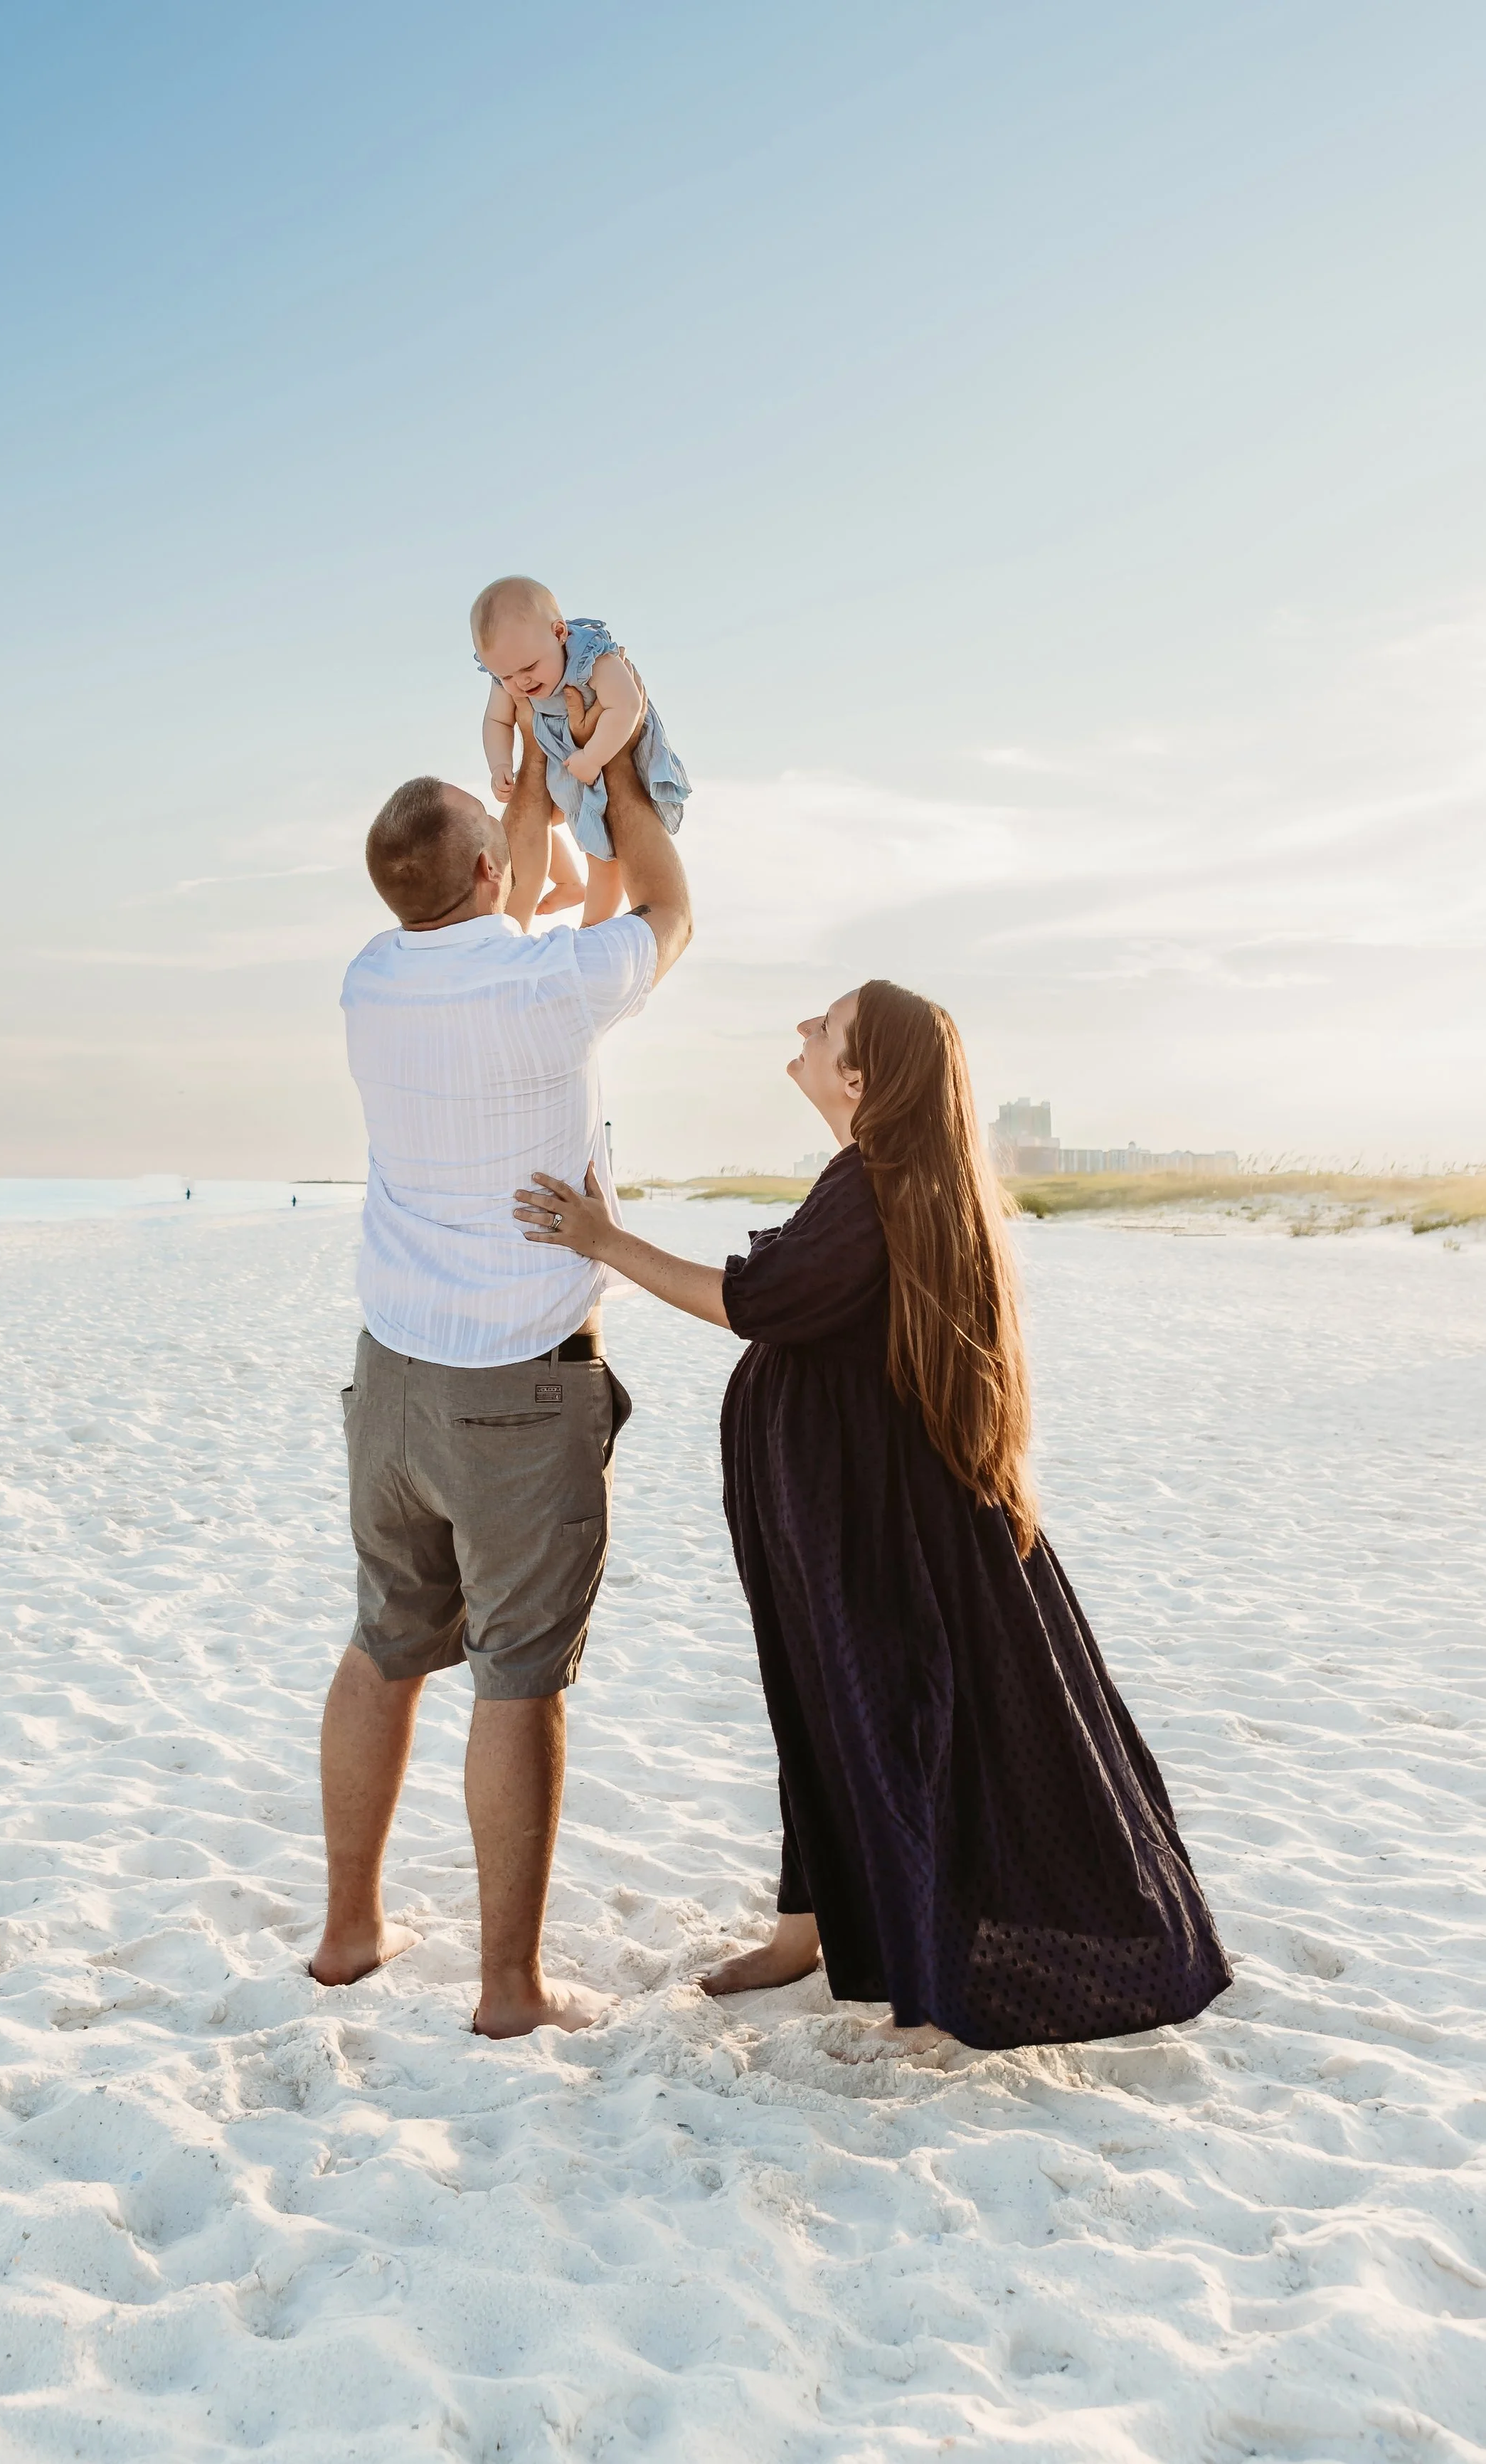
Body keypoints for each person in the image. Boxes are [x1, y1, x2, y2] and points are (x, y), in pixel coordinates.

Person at [514, 981, 1232, 2053]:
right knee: (817, 1702)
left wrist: (604, 1241)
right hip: (836, 1507)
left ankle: (923, 1960)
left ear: (860, 1075)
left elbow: (747, 1302)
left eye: (827, 1026)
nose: (802, 1029)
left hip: (869, 1519)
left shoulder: (879, 1185)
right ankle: (805, 1928)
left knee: (895, 1720)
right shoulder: (877, 1175)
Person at [312, 709, 693, 2038]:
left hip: (394, 1377)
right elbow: (669, 910)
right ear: (483, 874)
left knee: (383, 1647)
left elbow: (507, 896)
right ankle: (509, 1987)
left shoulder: (373, 973)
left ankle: (350, 1929)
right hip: (518, 1388)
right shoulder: (547, 986)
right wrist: (618, 774)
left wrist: (518, 796)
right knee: (517, 1677)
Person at [472, 574, 690, 929]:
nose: (521, 683)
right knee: (518, 828)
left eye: (529, 668)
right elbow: (497, 720)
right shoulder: (510, 670)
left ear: (559, 634)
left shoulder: (589, 657)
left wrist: (594, 758)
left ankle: (593, 929)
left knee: (604, 852)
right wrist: (499, 764)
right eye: (507, 677)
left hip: (611, 747)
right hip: (564, 758)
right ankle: (569, 883)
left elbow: (628, 705)